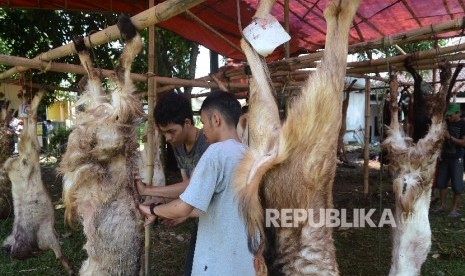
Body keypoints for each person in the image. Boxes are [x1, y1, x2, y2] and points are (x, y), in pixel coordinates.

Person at [138, 91, 254, 275]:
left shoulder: (215, 152)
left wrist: (152, 210)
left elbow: (184, 205)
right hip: (244, 260)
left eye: (205, 123)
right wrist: (167, 206)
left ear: (216, 120)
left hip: (218, 262)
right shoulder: (249, 154)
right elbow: (212, 204)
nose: (203, 129)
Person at [136, 91, 209, 276]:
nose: (168, 138)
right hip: (204, 214)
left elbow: (192, 186)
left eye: (171, 131)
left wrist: (149, 191)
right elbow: (189, 188)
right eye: (164, 133)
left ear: (187, 123)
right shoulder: (179, 146)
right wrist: (178, 210)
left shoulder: (207, 145)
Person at [434, 103, 465, 218]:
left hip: (457, 158)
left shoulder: (463, 124)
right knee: (441, 183)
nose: (448, 118)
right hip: (445, 158)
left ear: (458, 113)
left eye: (451, 115)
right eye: (447, 116)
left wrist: (450, 138)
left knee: (457, 185)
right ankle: (442, 206)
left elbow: (463, 143)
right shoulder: (446, 123)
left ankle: (455, 210)